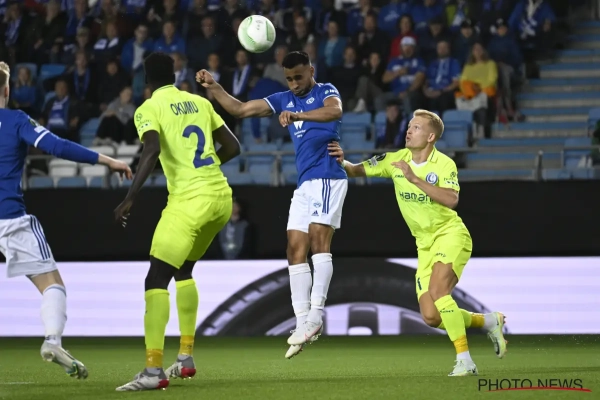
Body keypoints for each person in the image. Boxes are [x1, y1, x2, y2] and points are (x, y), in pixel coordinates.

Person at [328, 109, 507, 377]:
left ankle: (465, 360)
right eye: (410, 126)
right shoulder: (394, 159)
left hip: (450, 234)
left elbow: (451, 199)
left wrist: (414, 178)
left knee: (439, 291)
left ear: (431, 137)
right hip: (424, 245)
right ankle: (489, 321)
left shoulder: (444, 164)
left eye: (416, 127)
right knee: (431, 316)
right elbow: (355, 171)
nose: (409, 131)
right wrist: (343, 161)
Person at [196, 51, 347, 360]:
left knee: (319, 242)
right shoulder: (282, 99)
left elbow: (334, 112)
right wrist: (214, 87)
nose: (294, 84)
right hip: (305, 183)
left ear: (311, 71)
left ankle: (316, 315)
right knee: (294, 249)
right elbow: (240, 109)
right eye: (289, 79)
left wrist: (299, 116)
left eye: (299, 77)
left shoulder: (326, 90)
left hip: (328, 176)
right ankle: (302, 321)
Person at [113, 52, 241, 391]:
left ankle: (153, 370)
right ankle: (185, 358)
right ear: (174, 75)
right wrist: (207, 169)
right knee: (183, 270)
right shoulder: (199, 102)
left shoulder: (149, 108)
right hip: (220, 200)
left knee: (155, 279)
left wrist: (131, 196)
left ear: (146, 80)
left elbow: (152, 149)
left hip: (189, 202)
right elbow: (233, 146)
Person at [0, 62, 132, 379]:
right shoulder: (16, 120)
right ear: (6, 89)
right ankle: (52, 341)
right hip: (8, 218)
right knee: (52, 285)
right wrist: (107, 160)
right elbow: (57, 146)